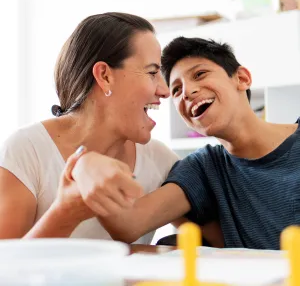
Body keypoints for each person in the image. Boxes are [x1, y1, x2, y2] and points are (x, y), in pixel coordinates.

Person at [67, 36, 300, 250]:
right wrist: (83, 165)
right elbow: (128, 224)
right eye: (176, 90)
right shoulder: (203, 169)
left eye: (199, 74)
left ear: (241, 78)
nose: (186, 92)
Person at [0, 12, 180, 244]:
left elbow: (211, 239)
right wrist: (66, 212)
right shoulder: (25, 150)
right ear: (104, 76)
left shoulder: (160, 160)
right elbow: (5, 268)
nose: (165, 91)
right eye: (152, 73)